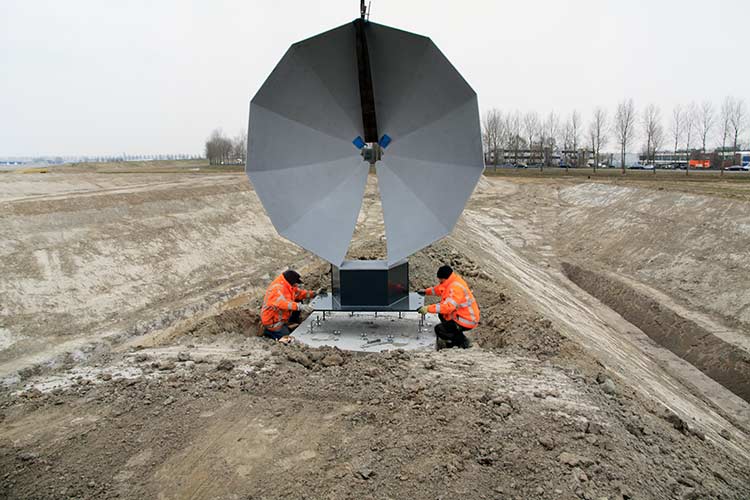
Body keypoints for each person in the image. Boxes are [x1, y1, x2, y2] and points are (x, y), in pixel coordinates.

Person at [417, 265, 480, 350]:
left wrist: (428, 308)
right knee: (442, 315)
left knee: (439, 329)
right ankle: (454, 336)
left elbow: (448, 307)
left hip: (467, 320)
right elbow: (439, 289)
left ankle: (462, 342)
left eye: (440, 279)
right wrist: (426, 292)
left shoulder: (455, 288)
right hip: (462, 314)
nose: (439, 281)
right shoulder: (452, 280)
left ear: (444, 278)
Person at [261, 270, 321, 342]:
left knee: (298, 300)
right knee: (288, 339)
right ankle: (269, 333)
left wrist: (313, 294)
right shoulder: (277, 289)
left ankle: (291, 322)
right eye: (295, 283)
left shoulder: (288, 285)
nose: (296, 285)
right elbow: (283, 303)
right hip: (273, 322)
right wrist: (300, 307)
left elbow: (299, 293)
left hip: (281, 318)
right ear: (291, 281)